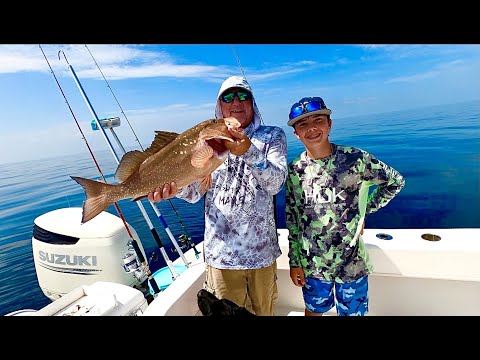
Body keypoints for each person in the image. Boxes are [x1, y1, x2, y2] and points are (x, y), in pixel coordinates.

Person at [147, 75, 288, 316]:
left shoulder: (272, 136)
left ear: (253, 103)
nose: (236, 102)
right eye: (228, 97)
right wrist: (174, 189)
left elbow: (275, 184)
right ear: (219, 106)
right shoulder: (206, 141)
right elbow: (194, 193)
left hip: (262, 254)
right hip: (221, 256)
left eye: (243, 96)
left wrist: (249, 152)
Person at [285, 96, 405, 316]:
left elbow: (394, 182)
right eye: (303, 124)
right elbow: (292, 218)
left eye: (318, 120)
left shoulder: (356, 159)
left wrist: (363, 211)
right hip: (312, 266)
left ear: (329, 123)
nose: (311, 127)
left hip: (352, 265)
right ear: (296, 133)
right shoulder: (294, 171)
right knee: (313, 311)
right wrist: (294, 261)